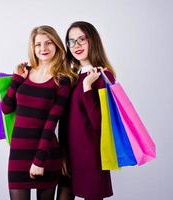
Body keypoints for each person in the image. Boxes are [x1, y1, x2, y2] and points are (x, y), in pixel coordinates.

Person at [1, 25, 76, 200]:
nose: (43, 48)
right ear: (32, 48)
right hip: (18, 153)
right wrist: (16, 80)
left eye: (48, 43)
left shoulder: (61, 80)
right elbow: (6, 108)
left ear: (57, 45)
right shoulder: (25, 73)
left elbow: (51, 124)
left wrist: (39, 161)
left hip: (45, 154)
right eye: (38, 44)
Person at [57, 21, 116, 200]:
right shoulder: (73, 77)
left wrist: (87, 88)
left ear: (92, 41)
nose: (76, 46)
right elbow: (65, 120)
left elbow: (102, 124)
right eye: (72, 41)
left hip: (92, 157)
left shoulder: (104, 76)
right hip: (71, 156)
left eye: (82, 39)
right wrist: (63, 153)